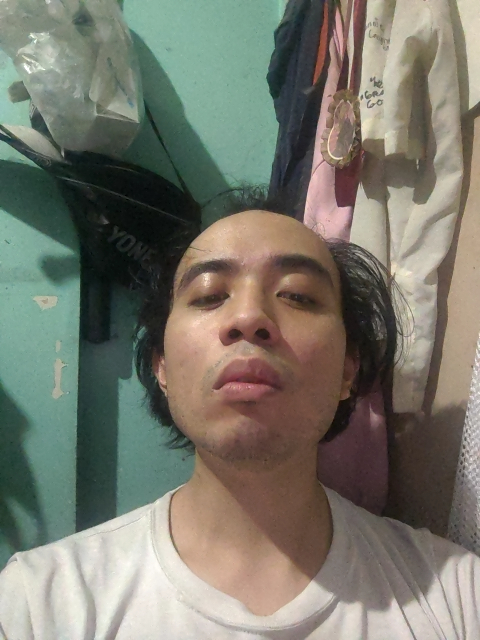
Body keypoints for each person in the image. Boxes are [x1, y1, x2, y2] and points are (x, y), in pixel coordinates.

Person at [0, 190, 479, 638]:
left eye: (297, 295)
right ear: (162, 367)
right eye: (209, 295)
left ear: (347, 371)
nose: (249, 318)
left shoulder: (458, 597)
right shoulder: (36, 605)